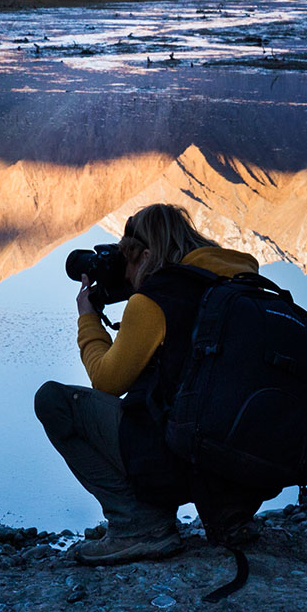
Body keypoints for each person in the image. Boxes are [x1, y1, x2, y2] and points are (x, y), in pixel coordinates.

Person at [34, 204, 263, 564]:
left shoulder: (156, 301)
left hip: (184, 460)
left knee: (53, 401)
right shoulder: (242, 288)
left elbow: (107, 381)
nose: (125, 273)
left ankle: (138, 527)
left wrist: (88, 318)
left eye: (127, 261)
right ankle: (231, 518)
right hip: (247, 468)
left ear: (145, 254)